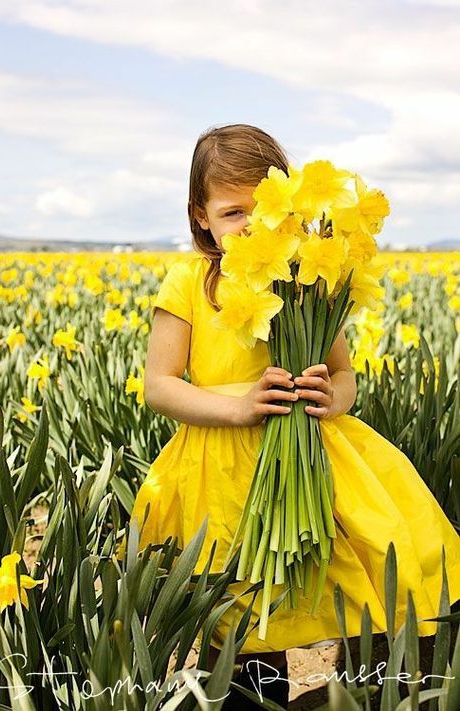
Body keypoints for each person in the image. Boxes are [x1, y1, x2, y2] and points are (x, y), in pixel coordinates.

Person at [118, 124, 460, 710]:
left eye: (265, 210)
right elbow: (159, 387)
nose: (251, 226)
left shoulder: (308, 279)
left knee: (376, 566)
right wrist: (238, 407)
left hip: (315, 455)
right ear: (201, 216)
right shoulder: (188, 284)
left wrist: (334, 398)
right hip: (221, 469)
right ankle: (260, 698)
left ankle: (370, 685)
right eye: (232, 213)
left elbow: (345, 375)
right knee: (246, 606)